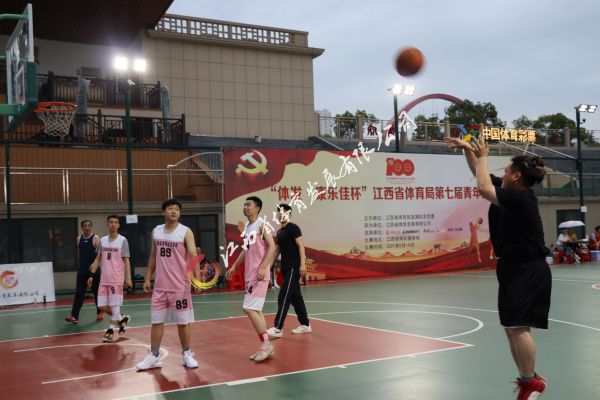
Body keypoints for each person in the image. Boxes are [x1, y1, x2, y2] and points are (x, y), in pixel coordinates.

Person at [447, 135, 551, 399]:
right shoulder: (506, 193)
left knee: (519, 326)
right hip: (511, 268)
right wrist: (468, 150)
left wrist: (484, 155)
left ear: (516, 176)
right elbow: (479, 175)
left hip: (528, 268)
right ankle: (527, 379)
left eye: (505, 171)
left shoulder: (521, 198)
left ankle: (532, 382)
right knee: (510, 326)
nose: (501, 174)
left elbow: (483, 187)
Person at [136, 199, 202, 370]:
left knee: (183, 322)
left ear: (180, 213)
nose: (174, 211)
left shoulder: (185, 231)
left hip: (180, 287)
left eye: (177, 209)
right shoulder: (156, 231)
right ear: (163, 212)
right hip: (160, 287)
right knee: (156, 322)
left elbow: (193, 256)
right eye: (170, 208)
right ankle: (154, 355)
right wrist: (147, 278)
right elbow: (153, 256)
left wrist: (197, 279)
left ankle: (186, 353)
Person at [225, 196, 277, 362]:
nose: (245, 207)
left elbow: (272, 246)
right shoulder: (248, 227)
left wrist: (263, 267)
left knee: (248, 308)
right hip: (250, 274)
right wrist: (234, 266)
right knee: (256, 310)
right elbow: (245, 250)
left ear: (257, 208)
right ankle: (267, 345)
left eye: (249, 205)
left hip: (258, 274)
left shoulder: (262, 224)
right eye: (244, 205)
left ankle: (265, 345)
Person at [266, 204, 311, 338]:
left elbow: (301, 245)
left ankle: (278, 328)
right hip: (285, 268)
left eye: (285, 212)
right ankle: (305, 325)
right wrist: (269, 266)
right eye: (279, 212)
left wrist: (302, 264)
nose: (281, 214)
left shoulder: (293, 228)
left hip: (293, 267)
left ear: (290, 214)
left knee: (284, 296)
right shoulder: (280, 232)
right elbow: (276, 251)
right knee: (296, 298)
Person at [87, 215, 133, 342]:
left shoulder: (123, 240)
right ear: (107, 224)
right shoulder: (102, 240)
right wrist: (91, 275)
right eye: (111, 222)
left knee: (114, 306)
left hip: (116, 279)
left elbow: (126, 260)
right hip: (104, 279)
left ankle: (110, 331)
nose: (113, 224)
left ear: (118, 225)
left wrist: (128, 277)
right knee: (101, 306)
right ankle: (121, 319)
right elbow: (98, 259)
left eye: (116, 222)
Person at [65, 220, 102, 323]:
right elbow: (80, 253)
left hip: (94, 272)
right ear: (82, 228)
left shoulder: (95, 238)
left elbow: (101, 254)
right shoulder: (79, 239)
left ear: (91, 227)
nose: (87, 227)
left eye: (89, 226)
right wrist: (80, 264)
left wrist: (94, 264)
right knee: (79, 294)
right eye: (85, 226)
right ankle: (74, 316)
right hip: (82, 271)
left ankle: (99, 312)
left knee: (97, 293)